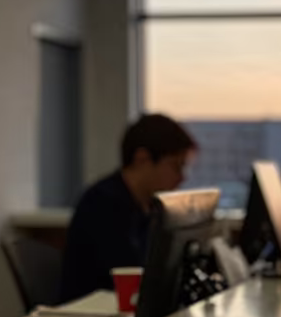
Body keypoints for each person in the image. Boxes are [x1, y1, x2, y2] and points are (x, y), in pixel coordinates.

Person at [59, 113, 197, 303]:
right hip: (92, 316)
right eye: (176, 166)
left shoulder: (148, 207)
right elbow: (134, 275)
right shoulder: (103, 204)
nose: (182, 178)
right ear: (142, 159)